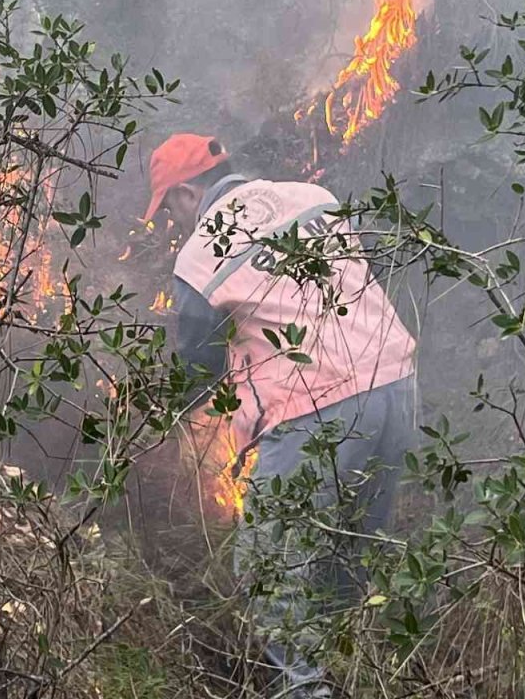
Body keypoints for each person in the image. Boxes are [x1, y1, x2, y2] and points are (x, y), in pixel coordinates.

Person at [142, 132, 418, 697]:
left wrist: (177, 420)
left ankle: (307, 691)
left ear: (188, 195)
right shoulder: (312, 197)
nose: (174, 223)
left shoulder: (201, 253)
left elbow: (197, 361)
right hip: (397, 384)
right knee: (347, 552)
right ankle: (360, 673)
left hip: (317, 407)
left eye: (169, 209)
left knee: (269, 568)